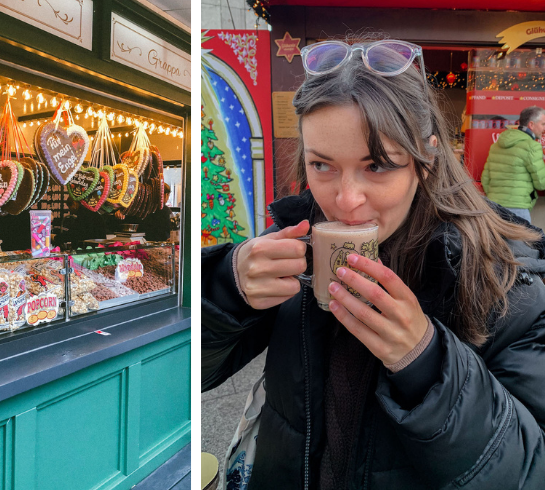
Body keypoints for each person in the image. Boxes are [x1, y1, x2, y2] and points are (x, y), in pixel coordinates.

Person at [202, 39, 545, 489]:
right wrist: (228, 288)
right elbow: (195, 378)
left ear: (424, 161)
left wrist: (428, 364)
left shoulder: (504, 279)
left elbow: (530, 471)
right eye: (322, 165)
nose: (345, 200)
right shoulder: (295, 246)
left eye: (378, 165)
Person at [481, 105, 545, 222]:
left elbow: (485, 179)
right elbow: (541, 183)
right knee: (521, 240)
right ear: (531, 125)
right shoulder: (532, 146)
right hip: (518, 208)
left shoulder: (495, 146)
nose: (544, 128)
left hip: (494, 207)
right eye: (543, 124)